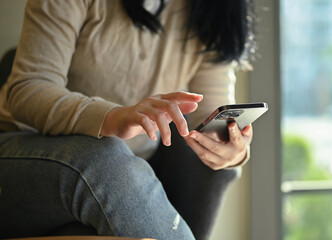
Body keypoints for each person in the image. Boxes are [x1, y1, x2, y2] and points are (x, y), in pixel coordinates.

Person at [0, 0, 256, 239]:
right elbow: (27, 90)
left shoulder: (212, 9)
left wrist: (230, 149)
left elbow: (210, 113)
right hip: (22, 150)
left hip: (128, 170)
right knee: (104, 158)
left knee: (121, 162)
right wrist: (112, 117)